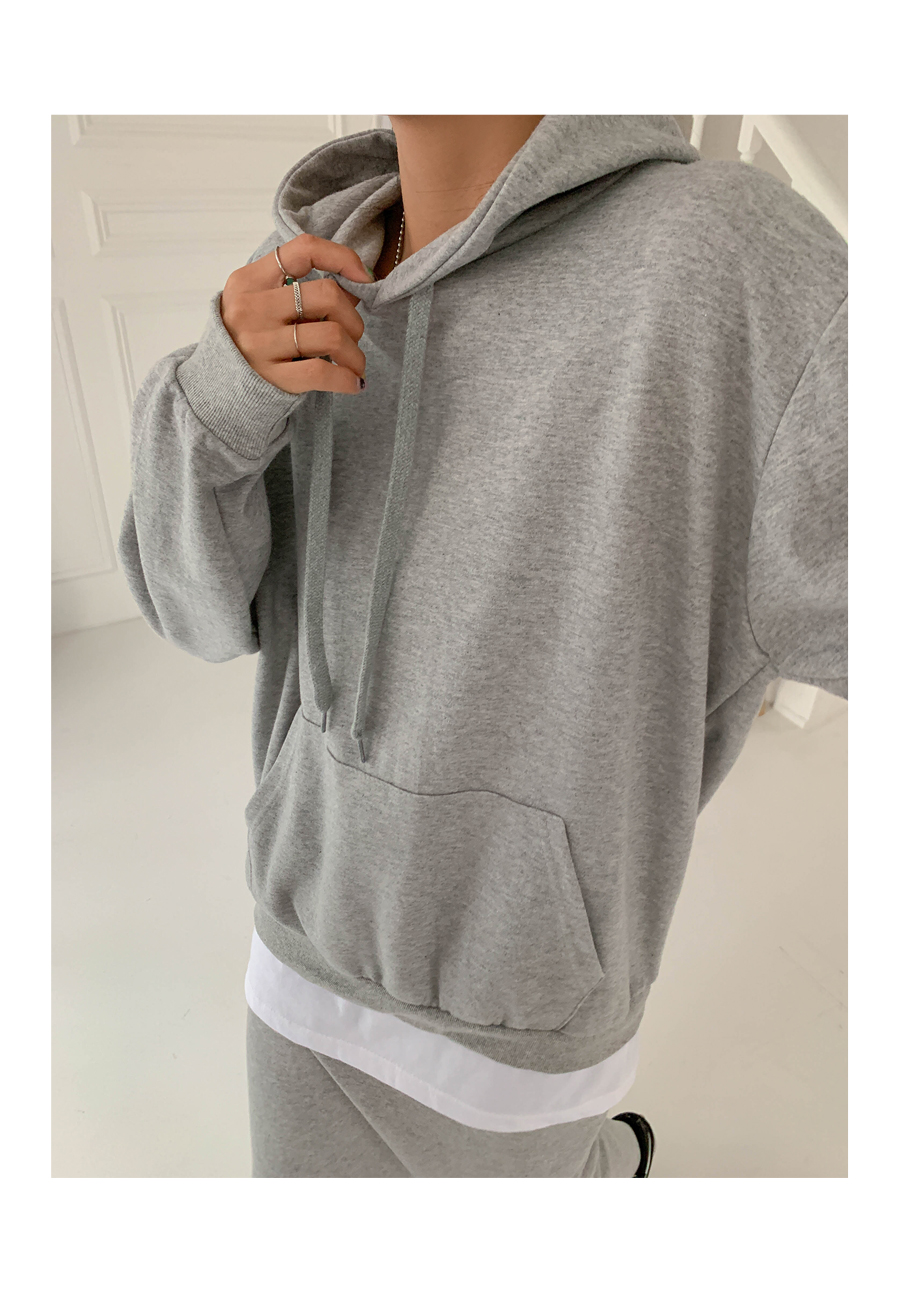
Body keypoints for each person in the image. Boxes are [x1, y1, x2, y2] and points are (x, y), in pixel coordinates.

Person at [116, 115, 847, 1178]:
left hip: (520, 1014)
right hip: (304, 934)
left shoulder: (727, 260)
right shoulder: (315, 269)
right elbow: (193, 612)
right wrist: (213, 399)